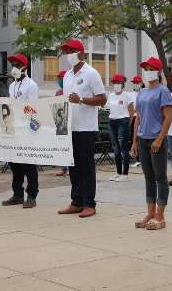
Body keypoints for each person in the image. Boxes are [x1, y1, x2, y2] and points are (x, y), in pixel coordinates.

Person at [57, 39, 106, 218]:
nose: (69, 54)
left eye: (72, 50)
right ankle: (76, 201)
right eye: (67, 51)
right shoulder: (68, 75)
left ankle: (89, 203)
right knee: (74, 167)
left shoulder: (91, 73)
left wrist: (82, 100)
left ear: (81, 53)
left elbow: (102, 99)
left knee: (87, 167)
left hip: (86, 128)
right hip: (70, 127)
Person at [132, 57, 172, 230]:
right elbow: (138, 117)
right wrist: (134, 140)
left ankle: (160, 214)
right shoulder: (141, 93)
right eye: (146, 68)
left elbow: (168, 117)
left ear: (158, 71)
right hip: (143, 139)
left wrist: (160, 139)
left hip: (157, 140)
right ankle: (150, 212)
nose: (148, 71)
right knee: (148, 177)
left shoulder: (163, 91)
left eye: (151, 68)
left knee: (160, 177)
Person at [1, 53, 40, 209]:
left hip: (26, 129)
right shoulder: (12, 85)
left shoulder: (31, 85)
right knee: (14, 163)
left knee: (29, 164)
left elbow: (33, 108)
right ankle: (17, 194)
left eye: (17, 65)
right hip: (13, 128)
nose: (14, 67)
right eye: (13, 65)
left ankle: (32, 195)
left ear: (24, 67)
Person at [107, 74, 134, 182]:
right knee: (116, 148)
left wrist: (128, 123)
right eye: (115, 83)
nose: (116, 85)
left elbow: (131, 111)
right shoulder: (110, 96)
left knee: (123, 148)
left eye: (118, 83)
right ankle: (118, 172)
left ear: (122, 84)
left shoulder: (127, 96)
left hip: (123, 121)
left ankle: (125, 173)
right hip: (112, 121)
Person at [54, 70, 70, 176]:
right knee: (61, 146)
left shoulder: (70, 91)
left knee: (69, 146)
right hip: (60, 122)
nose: (60, 80)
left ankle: (70, 168)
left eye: (62, 78)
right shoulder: (58, 93)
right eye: (59, 78)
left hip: (69, 121)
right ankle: (64, 168)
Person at [129, 75, 144, 168]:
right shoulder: (131, 94)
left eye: (137, 83)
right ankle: (137, 158)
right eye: (134, 83)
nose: (135, 85)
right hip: (134, 118)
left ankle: (143, 158)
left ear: (141, 83)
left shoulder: (144, 93)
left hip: (142, 118)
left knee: (142, 138)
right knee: (134, 138)